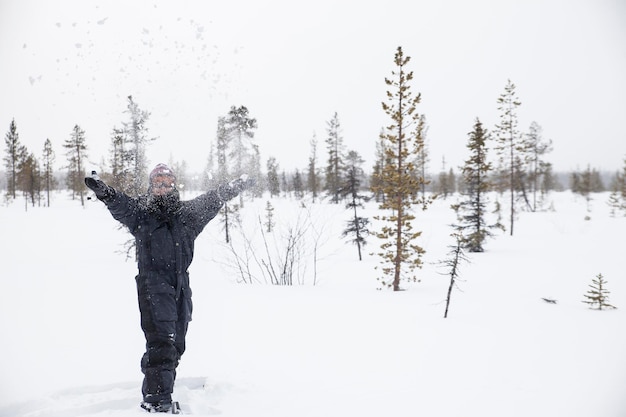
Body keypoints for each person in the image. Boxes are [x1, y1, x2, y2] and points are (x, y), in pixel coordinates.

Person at [85, 163, 253, 413]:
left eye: (167, 182)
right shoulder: (141, 213)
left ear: (174, 185)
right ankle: (156, 399)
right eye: (157, 182)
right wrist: (106, 193)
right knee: (161, 341)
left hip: (181, 286)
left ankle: (163, 390)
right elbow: (121, 205)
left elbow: (212, 199)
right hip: (153, 284)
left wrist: (233, 187)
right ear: (151, 186)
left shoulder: (187, 214)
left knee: (177, 343)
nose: (162, 187)